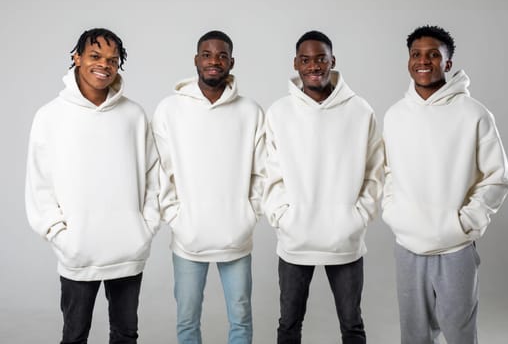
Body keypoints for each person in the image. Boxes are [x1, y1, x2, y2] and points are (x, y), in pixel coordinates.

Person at [25, 28, 160, 343]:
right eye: (95, 56)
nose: (104, 65)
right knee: (74, 336)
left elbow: (155, 176)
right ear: (77, 58)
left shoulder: (134, 115)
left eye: (112, 60)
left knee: (126, 334)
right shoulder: (50, 117)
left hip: (128, 250)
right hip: (78, 254)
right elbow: (39, 184)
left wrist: (146, 227)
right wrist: (62, 237)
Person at [382, 25, 508, 344]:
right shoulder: (395, 115)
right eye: (416, 54)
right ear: (408, 60)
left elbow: (497, 177)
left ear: (448, 63)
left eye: (433, 55)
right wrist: (393, 213)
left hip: (455, 246)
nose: (423, 61)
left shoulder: (474, 114)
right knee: (414, 335)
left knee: (460, 334)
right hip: (408, 245)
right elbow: (385, 172)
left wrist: (466, 222)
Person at [263, 30, 383, 344]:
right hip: (295, 237)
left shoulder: (359, 110)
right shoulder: (279, 112)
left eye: (320, 59)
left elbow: (375, 170)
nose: (314, 66)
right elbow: (268, 173)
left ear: (332, 61)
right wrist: (282, 216)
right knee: (288, 325)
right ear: (296, 64)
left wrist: (358, 216)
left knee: (352, 324)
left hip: (344, 237)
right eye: (306, 60)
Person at [151, 30, 265, 344]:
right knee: (187, 321)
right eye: (207, 54)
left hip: (236, 237)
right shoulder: (169, 110)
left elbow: (263, 172)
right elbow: (160, 172)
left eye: (221, 55)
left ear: (231, 61)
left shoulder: (251, 112)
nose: (214, 61)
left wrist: (248, 215)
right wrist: (177, 219)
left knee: (241, 319)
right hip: (188, 239)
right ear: (196, 59)